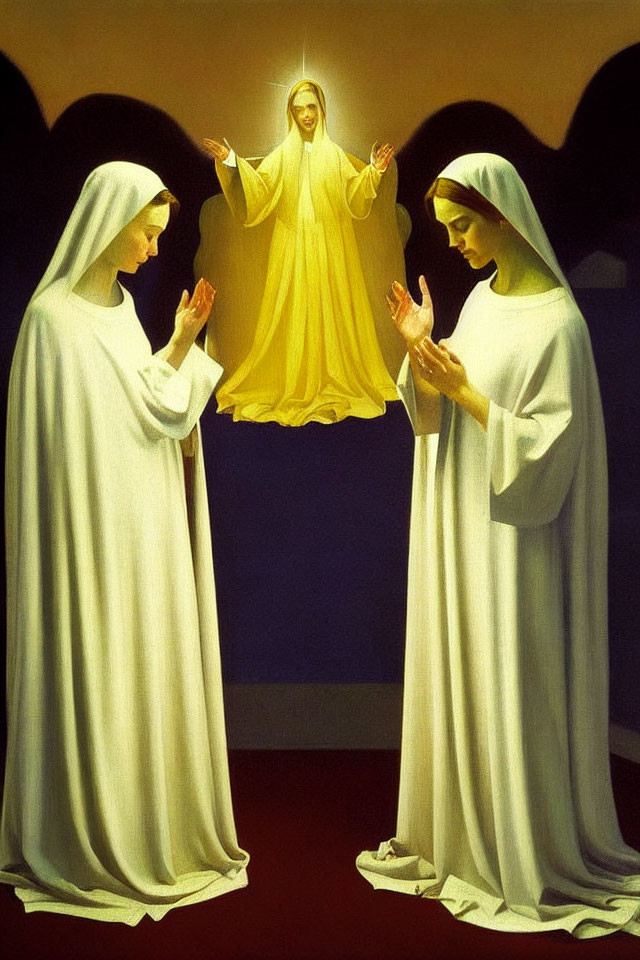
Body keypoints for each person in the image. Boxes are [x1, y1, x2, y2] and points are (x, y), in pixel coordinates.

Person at [357, 153, 640, 938]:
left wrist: (465, 392)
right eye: (446, 229)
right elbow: (438, 410)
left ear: (504, 216)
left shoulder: (560, 323)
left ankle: (523, 839)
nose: (452, 245)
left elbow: (550, 447)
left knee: (514, 675)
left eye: (461, 227)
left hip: (521, 548)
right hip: (465, 525)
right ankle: (466, 830)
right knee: (469, 666)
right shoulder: (481, 300)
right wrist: (421, 354)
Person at [0, 161, 249, 923]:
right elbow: (69, 442)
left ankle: (143, 816)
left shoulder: (114, 312)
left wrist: (176, 346)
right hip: (86, 537)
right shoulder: (50, 323)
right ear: (109, 222)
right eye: (146, 232)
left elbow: (137, 406)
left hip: (139, 527)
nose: (150, 248)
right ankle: (87, 827)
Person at [200, 78, 402, 425]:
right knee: (292, 311)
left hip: (331, 250)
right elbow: (259, 192)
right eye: (299, 108)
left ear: (321, 109)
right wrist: (231, 160)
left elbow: (355, 199)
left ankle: (332, 377)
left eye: (311, 107)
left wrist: (374, 172)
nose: (306, 115)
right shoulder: (283, 156)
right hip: (291, 250)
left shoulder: (334, 155)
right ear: (290, 113)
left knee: (330, 310)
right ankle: (295, 381)